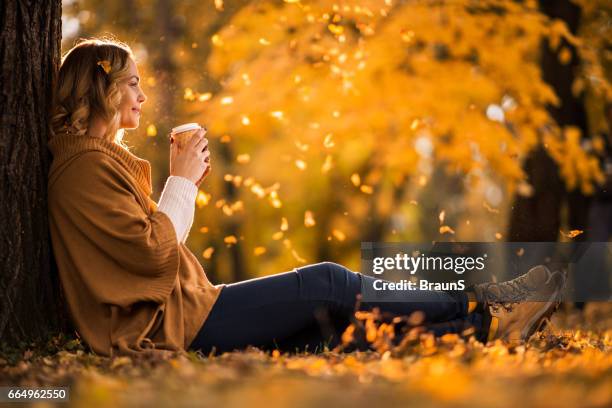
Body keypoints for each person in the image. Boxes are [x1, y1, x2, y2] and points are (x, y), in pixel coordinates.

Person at [47, 38, 565, 358]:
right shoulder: (82, 171)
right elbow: (154, 253)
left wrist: (183, 185)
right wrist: (179, 181)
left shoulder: (95, 162)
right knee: (329, 282)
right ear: (104, 90)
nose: (141, 96)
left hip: (185, 312)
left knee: (340, 330)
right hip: (172, 325)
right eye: (133, 85)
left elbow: (148, 247)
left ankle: (486, 329)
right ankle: (485, 303)